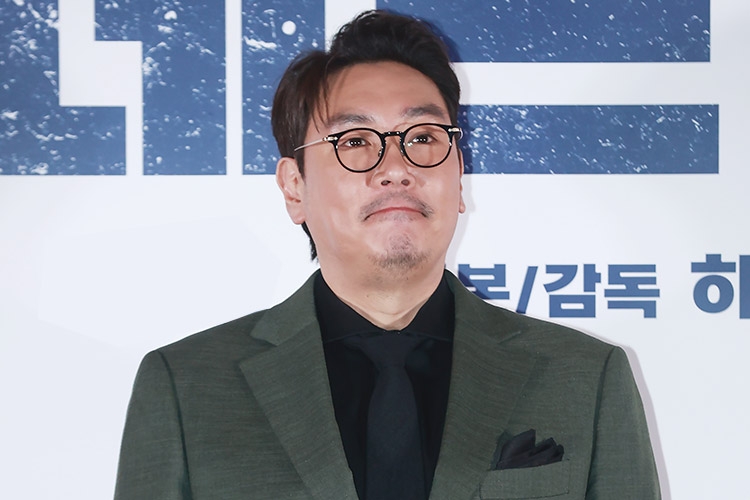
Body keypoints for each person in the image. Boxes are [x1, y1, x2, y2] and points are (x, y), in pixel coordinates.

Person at [114, 9, 661, 500]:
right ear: (294, 187)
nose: (396, 168)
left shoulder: (586, 378)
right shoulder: (186, 386)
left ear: (459, 175)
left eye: (422, 137)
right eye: (354, 142)